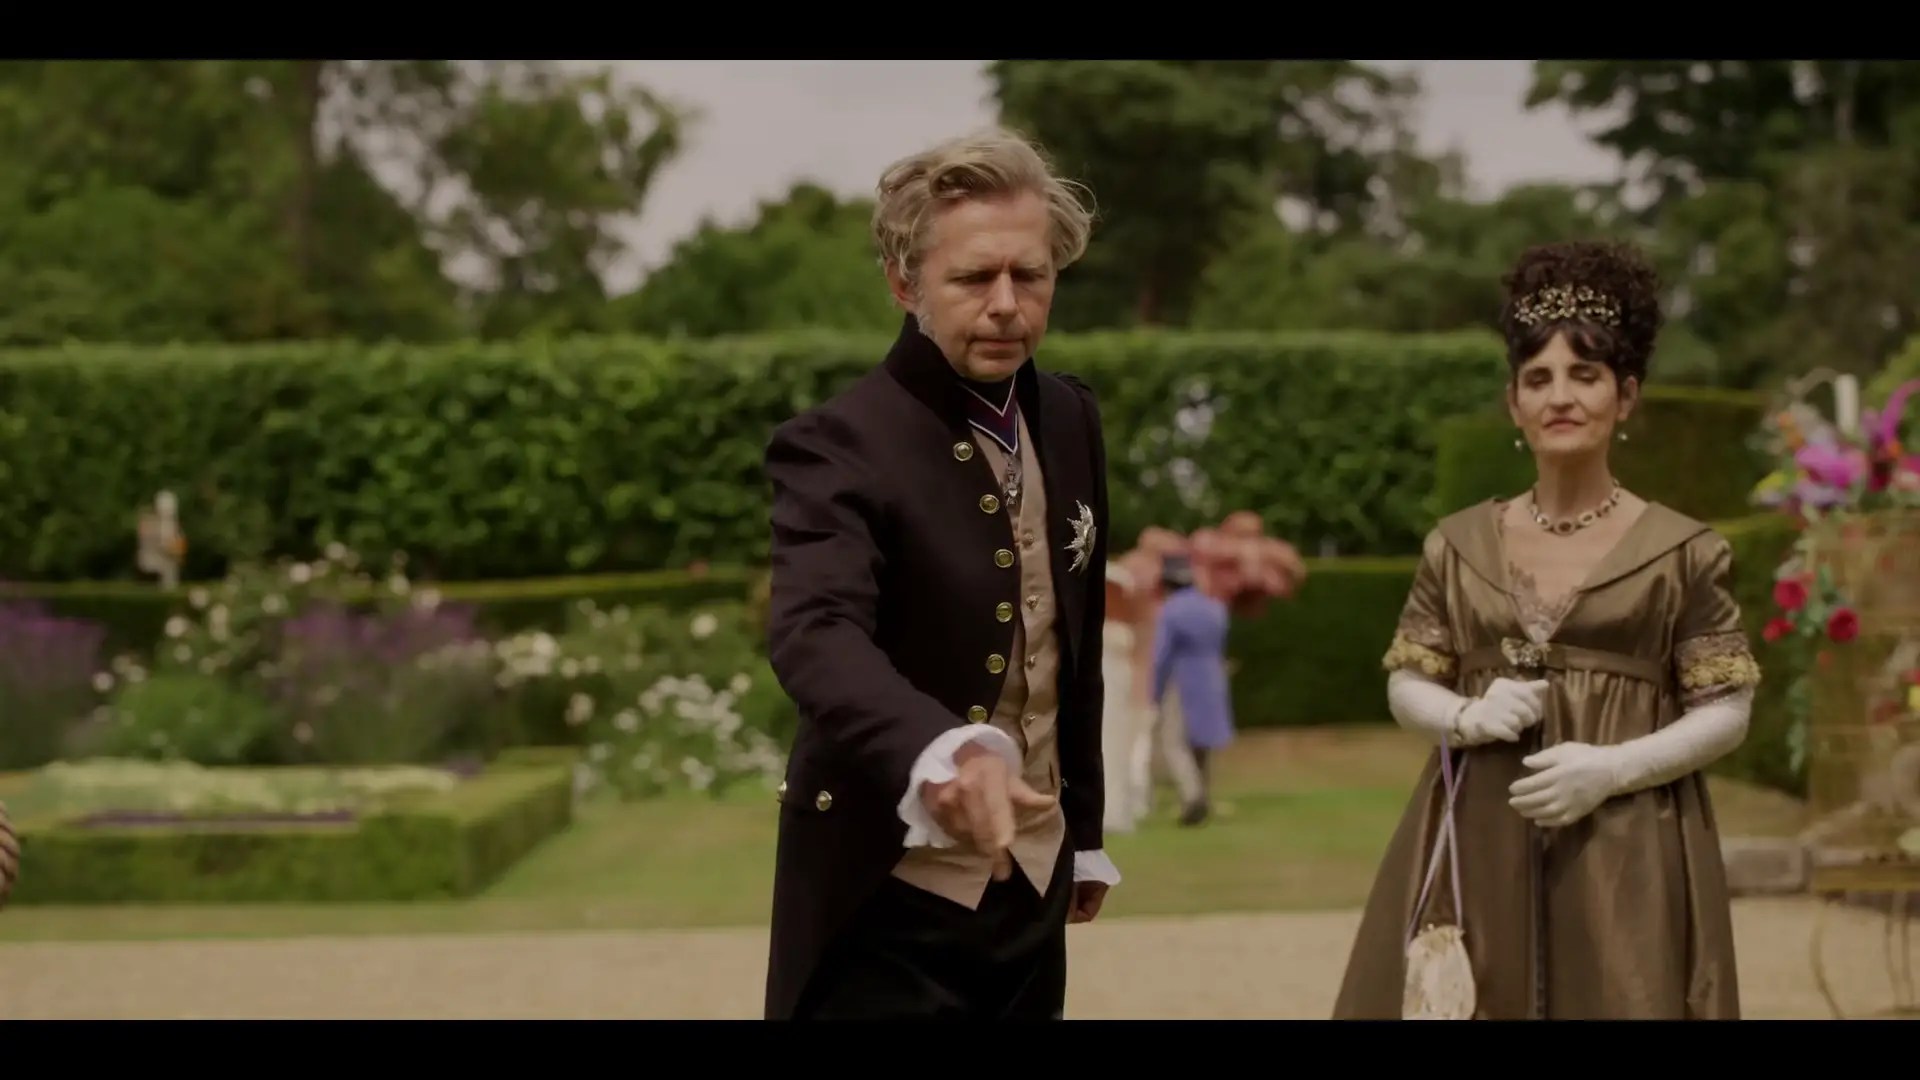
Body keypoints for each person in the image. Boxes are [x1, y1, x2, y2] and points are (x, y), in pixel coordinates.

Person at [1331, 239, 1763, 1020]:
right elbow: (1408, 681)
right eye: (1538, 379)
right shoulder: (1457, 545)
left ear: (1625, 397)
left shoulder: (1685, 553)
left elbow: (1727, 710)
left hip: (1628, 843)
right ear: (1514, 403)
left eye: (1585, 375)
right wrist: (1463, 715)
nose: (1560, 396)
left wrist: (1615, 768)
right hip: (1478, 833)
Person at [760, 126, 1120, 1021]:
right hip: (883, 897)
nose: (1006, 305)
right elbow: (815, 633)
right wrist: (939, 750)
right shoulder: (836, 445)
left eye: (1030, 275)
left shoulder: (1070, 418)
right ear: (903, 283)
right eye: (972, 278)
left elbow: (1071, 643)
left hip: (1033, 883)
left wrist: (1082, 831)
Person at [1151, 553, 1233, 825]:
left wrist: (1155, 690)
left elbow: (1162, 655)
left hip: (1183, 678)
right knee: (1202, 741)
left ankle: (1192, 795)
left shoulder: (1171, 609)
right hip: (1213, 676)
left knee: (1173, 741)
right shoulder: (1215, 607)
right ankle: (1204, 794)